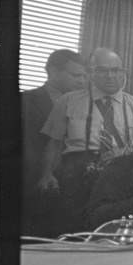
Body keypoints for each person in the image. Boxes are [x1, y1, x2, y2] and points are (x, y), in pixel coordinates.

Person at [38, 47, 133, 234]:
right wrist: (47, 173)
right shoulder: (68, 101)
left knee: (114, 231)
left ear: (123, 72)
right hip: (77, 175)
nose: (110, 76)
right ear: (91, 72)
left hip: (122, 176)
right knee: (74, 230)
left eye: (115, 70)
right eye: (102, 70)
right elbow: (54, 144)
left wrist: (127, 152)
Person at [21, 49, 88, 238]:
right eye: (75, 75)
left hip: (73, 193)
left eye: (84, 76)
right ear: (52, 71)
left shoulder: (86, 105)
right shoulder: (25, 100)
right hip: (33, 189)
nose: (81, 81)